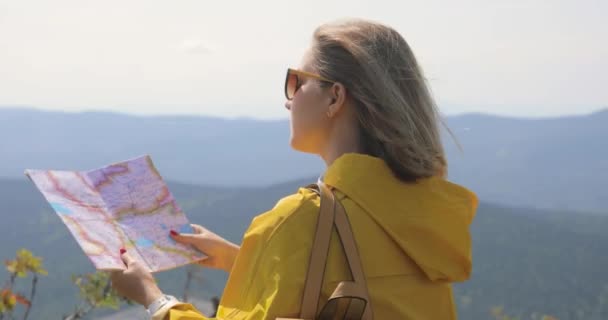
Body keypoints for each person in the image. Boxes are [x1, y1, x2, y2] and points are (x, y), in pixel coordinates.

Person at [111, 18, 478, 319]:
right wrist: (245, 260)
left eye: (295, 82)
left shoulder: (298, 222)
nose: (288, 101)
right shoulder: (427, 218)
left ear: (335, 97)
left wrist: (153, 298)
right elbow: (372, 285)